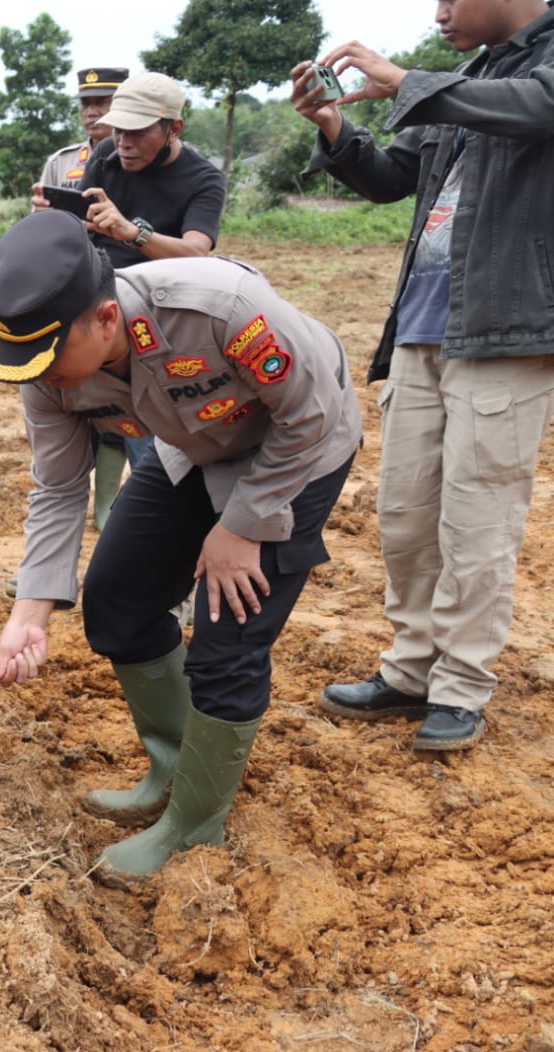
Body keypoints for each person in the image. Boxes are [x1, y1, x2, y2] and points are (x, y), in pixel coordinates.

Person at [0, 210, 361, 887]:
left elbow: (309, 413)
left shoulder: (217, 308)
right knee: (118, 603)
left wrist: (239, 528)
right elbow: (59, 489)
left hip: (294, 448)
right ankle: (175, 770)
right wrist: (27, 616)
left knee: (227, 636)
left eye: (50, 361)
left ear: (103, 319)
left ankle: (195, 825)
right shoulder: (46, 372)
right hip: (192, 446)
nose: (42, 380)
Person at [293, 0, 554, 752]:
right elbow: (391, 176)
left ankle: (461, 686)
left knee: (478, 520)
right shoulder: (468, 73)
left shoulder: (530, 69)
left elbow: (535, 105)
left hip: (504, 330)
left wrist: (405, 78)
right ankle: (409, 671)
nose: (437, 12)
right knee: (405, 517)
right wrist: (331, 126)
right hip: (419, 329)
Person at [34, 66, 145, 530]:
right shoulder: (63, 163)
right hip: (76, 313)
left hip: (135, 311)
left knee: (150, 438)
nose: (94, 112)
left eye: (105, 103)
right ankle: (63, 550)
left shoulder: (145, 162)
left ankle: (140, 534)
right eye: (87, 104)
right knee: (69, 435)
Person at [50, 72, 226, 271]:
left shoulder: (205, 179)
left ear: (174, 129)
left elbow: (195, 252)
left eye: (138, 132)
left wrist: (133, 233)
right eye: (118, 130)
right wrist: (54, 216)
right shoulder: (106, 153)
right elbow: (77, 222)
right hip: (96, 279)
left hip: (158, 287)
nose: (123, 144)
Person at [36, 67, 127, 191]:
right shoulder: (60, 162)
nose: (91, 113)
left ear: (123, 105)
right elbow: (44, 208)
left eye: (100, 103)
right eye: (85, 103)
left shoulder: (141, 157)